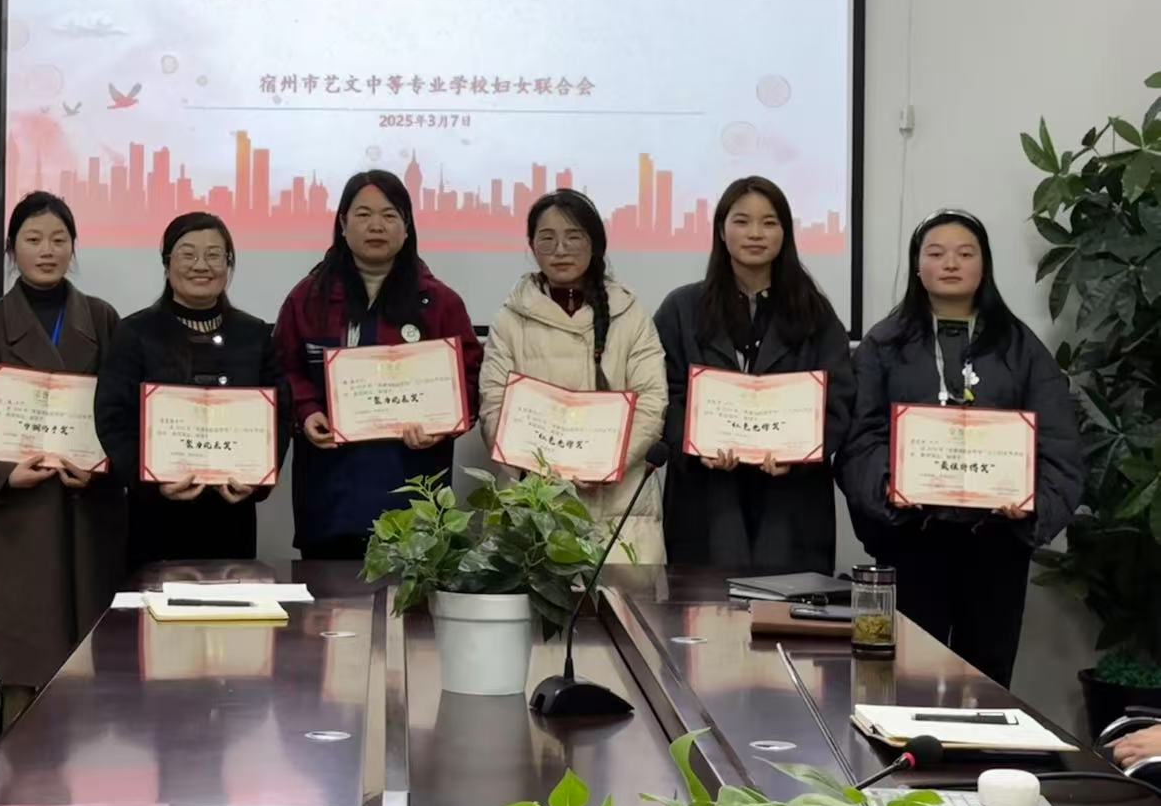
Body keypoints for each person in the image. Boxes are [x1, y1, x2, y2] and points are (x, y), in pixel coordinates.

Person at [838, 209, 1083, 687]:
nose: (950, 263)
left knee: (985, 684)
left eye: (965, 253)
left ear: (984, 265)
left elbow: (1059, 443)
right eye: (936, 253)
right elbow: (860, 436)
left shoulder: (1021, 347)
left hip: (996, 544)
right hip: (911, 540)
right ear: (917, 267)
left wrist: (1032, 505)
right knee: (904, 679)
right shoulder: (883, 345)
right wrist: (887, 489)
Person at [0, 192, 124, 715]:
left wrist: (99, 469)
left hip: (85, 511)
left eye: (58, 239)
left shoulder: (102, 319)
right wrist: (5, 474)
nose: (47, 250)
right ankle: (11, 758)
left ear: (73, 247)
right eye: (33, 239)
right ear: (12, 249)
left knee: (88, 663)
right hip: (14, 520)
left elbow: (120, 419)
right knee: (18, 661)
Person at [275, 170, 482, 560]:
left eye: (389, 215)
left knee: (411, 595)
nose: (376, 226)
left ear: (407, 227)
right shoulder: (308, 299)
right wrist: (307, 411)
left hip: (414, 495)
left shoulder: (439, 303)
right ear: (342, 224)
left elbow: (470, 379)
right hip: (331, 498)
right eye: (363, 214)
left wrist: (442, 425)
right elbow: (283, 368)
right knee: (329, 597)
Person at [655, 176, 855, 574]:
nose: (755, 234)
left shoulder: (815, 313)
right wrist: (694, 445)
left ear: (785, 233)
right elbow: (663, 393)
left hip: (790, 498)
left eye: (769, 222)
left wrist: (799, 453)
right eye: (742, 221)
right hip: (706, 495)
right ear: (721, 230)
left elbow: (839, 398)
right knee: (705, 607)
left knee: (784, 606)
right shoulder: (681, 309)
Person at [477, 189, 668, 561]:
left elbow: (651, 402)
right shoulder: (510, 319)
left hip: (619, 501)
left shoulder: (630, 314)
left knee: (621, 597)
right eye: (547, 238)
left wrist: (607, 465)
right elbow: (494, 407)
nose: (560, 250)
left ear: (594, 244)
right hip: (534, 495)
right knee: (533, 592)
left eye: (574, 237)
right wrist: (545, 472)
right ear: (532, 246)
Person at [94, 212, 288, 568]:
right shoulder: (135, 333)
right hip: (156, 516)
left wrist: (258, 481)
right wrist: (150, 482)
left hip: (232, 513)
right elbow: (113, 418)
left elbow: (280, 414)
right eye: (188, 254)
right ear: (167, 263)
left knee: (230, 599)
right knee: (156, 601)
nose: (201, 265)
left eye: (214, 255)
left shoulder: (254, 335)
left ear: (228, 264)